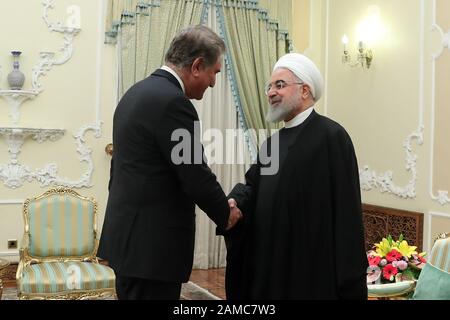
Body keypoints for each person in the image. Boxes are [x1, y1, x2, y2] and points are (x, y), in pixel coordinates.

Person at [98, 25, 242, 300]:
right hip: (152, 251)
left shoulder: (134, 94)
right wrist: (226, 212)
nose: (213, 83)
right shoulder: (173, 103)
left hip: (128, 243)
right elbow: (194, 174)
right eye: (215, 73)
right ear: (198, 65)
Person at [223, 53, 368, 300]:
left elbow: (347, 211)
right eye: (270, 86)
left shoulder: (331, 137)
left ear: (305, 91)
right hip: (269, 265)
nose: (270, 92)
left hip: (309, 270)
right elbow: (253, 187)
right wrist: (235, 202)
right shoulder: (271, 144)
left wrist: (349, 278)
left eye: (280, 85)